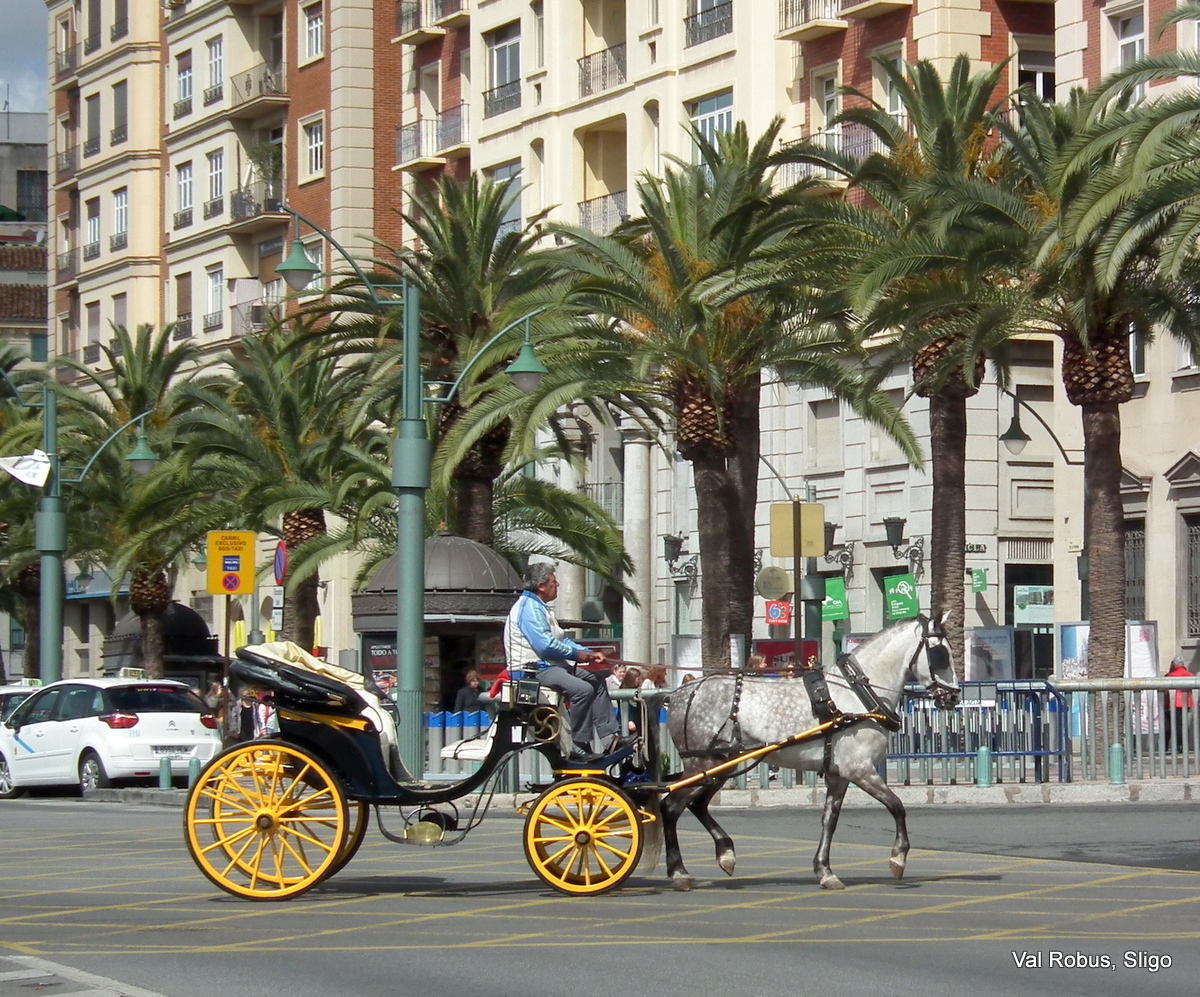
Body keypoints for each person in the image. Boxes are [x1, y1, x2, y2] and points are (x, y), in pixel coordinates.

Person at [504, 562, 629, 762]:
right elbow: (545, 646)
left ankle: (610, 739)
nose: (558, 585)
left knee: (596, 680)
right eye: (553, 582)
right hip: (532, 670)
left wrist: (589, 653)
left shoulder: (541, 607)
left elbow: (561, 641)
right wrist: (576, 655)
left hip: (551, 666)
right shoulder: (529, 608)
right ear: (541, 586)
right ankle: (576, 745)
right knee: (582, 690)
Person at [1165, 657, 1193, 751]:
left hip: (1174, 703)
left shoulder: (1170, 676)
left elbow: (1166, 691)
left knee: (1176, 725)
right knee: (1183, 724)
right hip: (1185, 703)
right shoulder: (1189, 675)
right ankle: (1184, 745)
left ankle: (1180, 745)